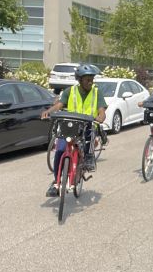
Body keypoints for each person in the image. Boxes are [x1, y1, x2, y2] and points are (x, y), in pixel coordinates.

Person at [41, 64, 107, 197]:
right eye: (87, 79)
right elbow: (59, 105)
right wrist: (48, 112)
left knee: (88, 148)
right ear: (80, 80)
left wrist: (101, 117)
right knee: (60, 150)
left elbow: (102, 109)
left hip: (88, 125)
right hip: (70, 125)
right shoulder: (69, 91)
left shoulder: (96, 92)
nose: (90, 81)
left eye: (92, 79)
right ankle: (56, 182)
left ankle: (87, 159)